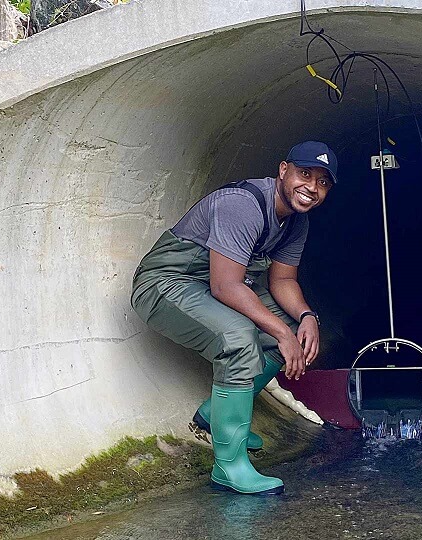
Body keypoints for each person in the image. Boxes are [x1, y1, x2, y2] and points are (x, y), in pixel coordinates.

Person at [130, 141, 338, 495]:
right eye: (305, 174)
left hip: (220, 284)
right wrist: (280, 333)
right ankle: (229, 466)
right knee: (239, 338)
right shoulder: (241, 205)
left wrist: (306, 317)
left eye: (322, 183)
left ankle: (216, 418)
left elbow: (282, 279)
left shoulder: (295, 222)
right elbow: (225, 285)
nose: (312, 188)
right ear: (283, 170)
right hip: (168, 283)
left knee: (291, 335)